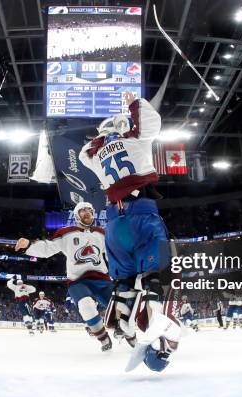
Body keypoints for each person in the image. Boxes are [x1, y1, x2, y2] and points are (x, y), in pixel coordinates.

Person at [78, 92, 181, 372]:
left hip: (113, 223)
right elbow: (152, 123)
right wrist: (134, 103)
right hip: (142, 215)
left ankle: (124, 318)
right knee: (155, 275)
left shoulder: (95, 154)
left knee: (124, 280)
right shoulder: (136, 140)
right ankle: (154, 315)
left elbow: (82, 154)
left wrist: (103, 139)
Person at [15, 202, 116, 351]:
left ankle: (129, 335)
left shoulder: (102, 233)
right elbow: (48, 248)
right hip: (78, 281)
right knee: (86, 306)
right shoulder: (66, 232)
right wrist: (29, 245)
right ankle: (103, 338)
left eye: (89, 210)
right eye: (83, 211)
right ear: (76, 215)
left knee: (120, 309)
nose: (87, 213)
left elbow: (114, 254)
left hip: (102, 279)